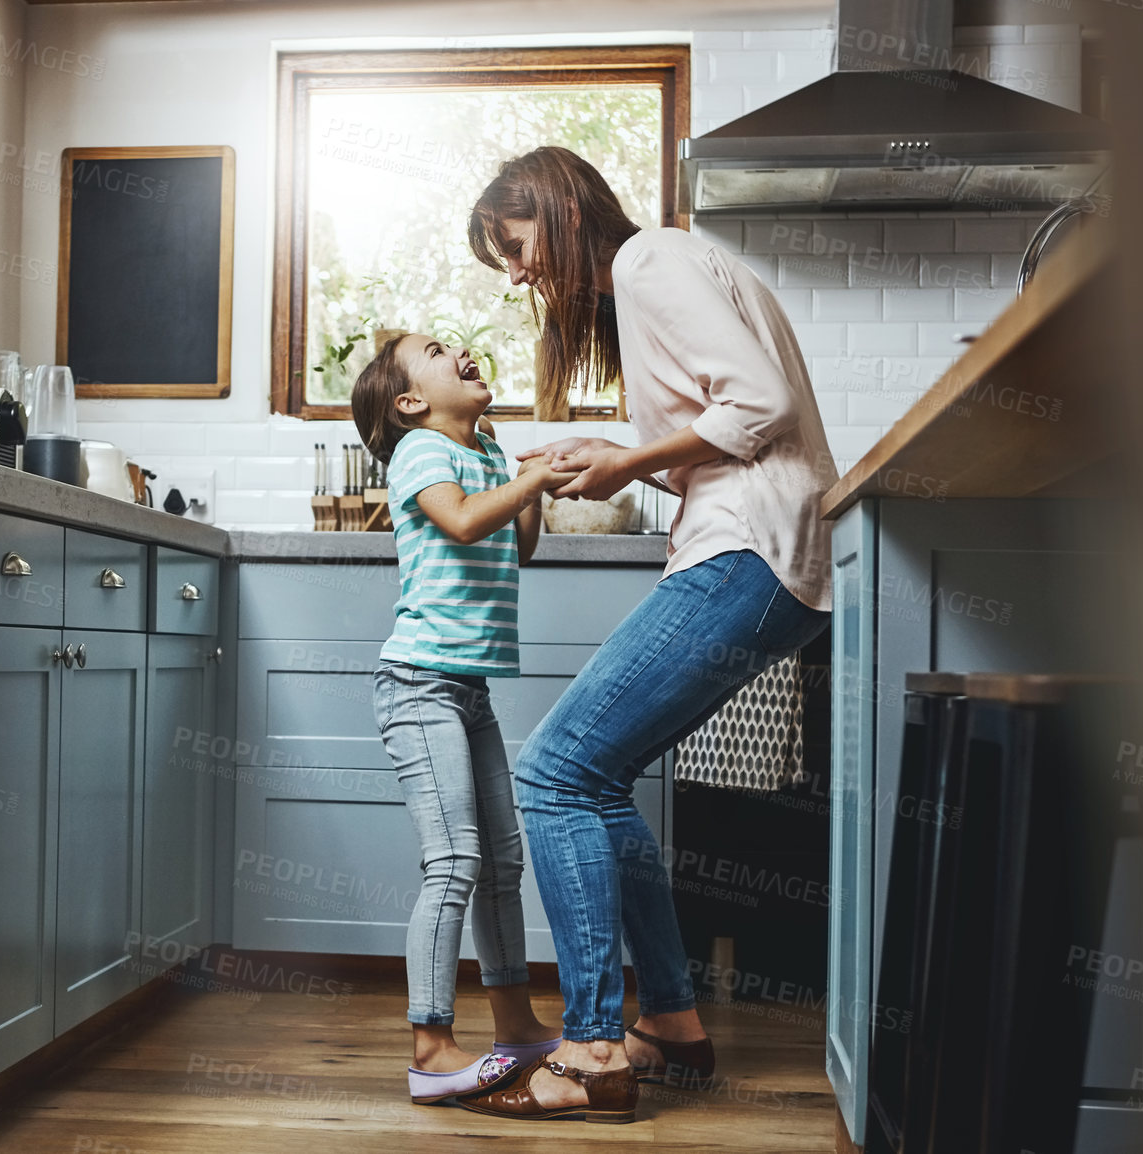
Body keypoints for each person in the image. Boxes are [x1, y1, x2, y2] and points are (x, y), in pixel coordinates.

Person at [454, 146, 838, 1124]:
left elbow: (763, 407)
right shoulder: (661, 272)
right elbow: (729, 430)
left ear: (559, 207)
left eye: (516, 241)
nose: (516, 272)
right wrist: (621, 457)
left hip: (744, 548)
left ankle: (588, 1045)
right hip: (759, 548)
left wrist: (627, 463)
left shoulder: (648, 261)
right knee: (595, 775)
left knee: (554, 772)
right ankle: (667, 1021)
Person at [350, 331, 570, 1108]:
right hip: (417, 686)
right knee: (454, 862)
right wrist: (527, 478)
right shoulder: (419, 451)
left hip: (466, 690)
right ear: (410, 402)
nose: (465, 350)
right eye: (438, 351)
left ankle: (515, 1023)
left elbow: (519, 545)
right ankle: (432, 1046)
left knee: (501, 863)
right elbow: (466, 524)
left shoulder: (486, 453)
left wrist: (531, 482)